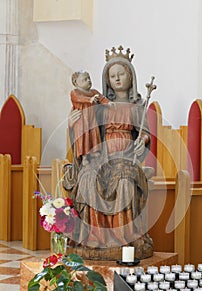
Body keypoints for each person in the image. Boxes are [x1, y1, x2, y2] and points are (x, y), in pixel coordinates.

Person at [63, 46, 154, 260]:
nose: (117, 79)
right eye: (112, 76)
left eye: (121, 74)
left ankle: (123, 236)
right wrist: (71, 124)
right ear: (107, 79)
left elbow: (145, 133)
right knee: (86, 178)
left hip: (126, 156)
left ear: (130, 75)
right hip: (101, 154)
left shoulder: (138, 105)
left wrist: (142, 141)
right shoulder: (101, 105)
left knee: (124, 181)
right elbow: (85, 128)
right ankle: (94, 236)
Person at [70, 70, 109, 165]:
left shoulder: (93, 92)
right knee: (83, 137)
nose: (88, 81)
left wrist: (110, 104)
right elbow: (78, 98)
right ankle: (84, 156)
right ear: (76, 82)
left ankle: (94, 152)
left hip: (91, 118)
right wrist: (89, 99)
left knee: (93, 134)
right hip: (81, 120)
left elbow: (102, 98)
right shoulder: (75, 92)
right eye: (85, 79)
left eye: (89, 78)